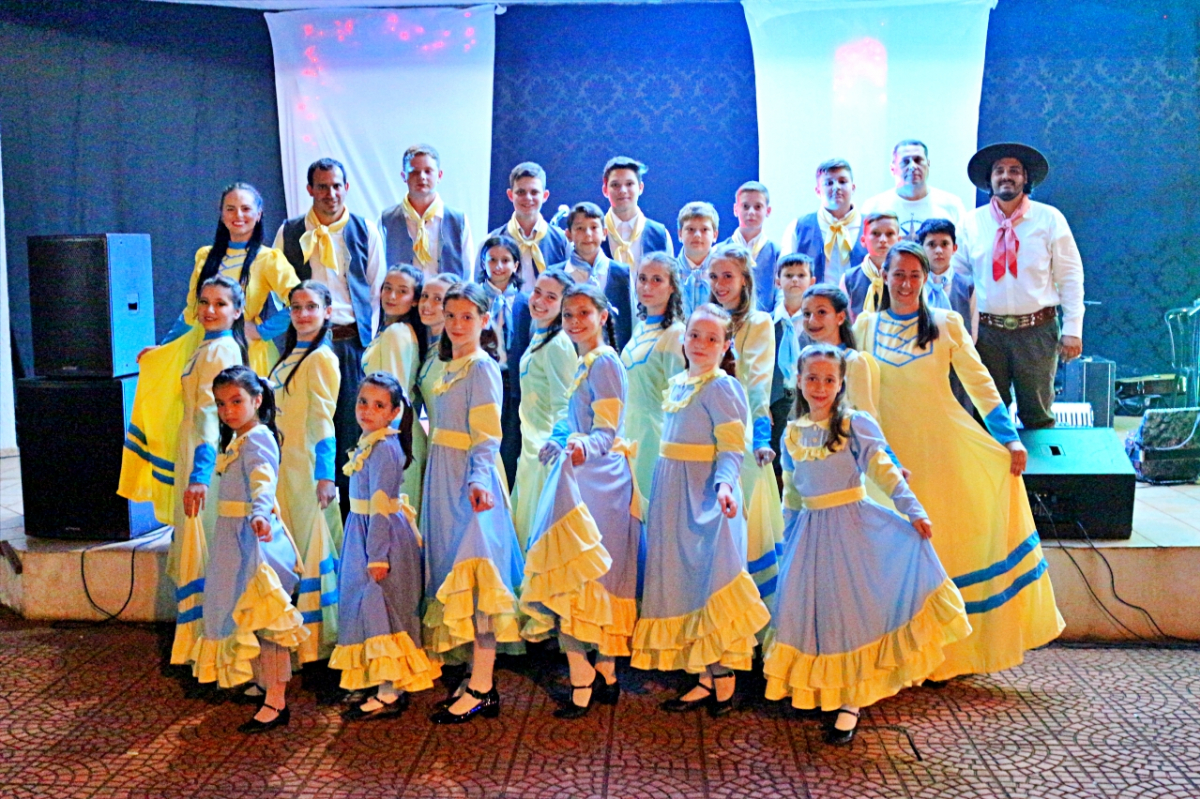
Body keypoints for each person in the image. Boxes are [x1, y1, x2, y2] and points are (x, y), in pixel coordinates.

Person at [854, 242, 1065, 681]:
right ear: (884, 276)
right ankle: (896, 659)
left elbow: (980, 383)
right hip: (889, 457)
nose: (906, 283)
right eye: (898, 274)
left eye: (914, 275)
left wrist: (1009, 439)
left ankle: (951, 656)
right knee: (892, 552)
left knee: (945, 545)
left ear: (926, 279)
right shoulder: (865, 326)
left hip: (943, 452)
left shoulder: (946, 323)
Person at [763, 344, 970, 745]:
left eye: (829, 379)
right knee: (816, 610)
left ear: (840, 384)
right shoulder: (792, 433)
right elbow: (791, 490)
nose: (820, 386)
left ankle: (851, 701)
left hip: (852, 528)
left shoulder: (853, 424)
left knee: (851, 611)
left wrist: (913, 510)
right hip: (809, 534)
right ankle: (825, 688)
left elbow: (883, 469)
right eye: (812, 378)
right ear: (799, 382)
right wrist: (789, 534)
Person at [120, 182, 299, 524]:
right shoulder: (206, 256)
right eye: (230, 208)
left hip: (243, 356)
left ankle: (251, 517)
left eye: (246, 209)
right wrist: (165, 347)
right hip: (200, 350)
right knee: (198, 423)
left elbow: (300, 300)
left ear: (259, 213)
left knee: (240, 433)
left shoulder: (268, 259)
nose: (238, 215)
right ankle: (203, 518)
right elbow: (191, 311)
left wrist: (261, 330)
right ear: (221, 213)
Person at [631, 304, 770, 716]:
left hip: (705, 500)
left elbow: (731, 450)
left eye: (712, 338)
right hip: (673, 497)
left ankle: (723, 678)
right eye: (695, 335)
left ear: (726, 346)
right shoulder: (678, 383)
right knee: (685, 583)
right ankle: (703, 676)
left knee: (711, 582)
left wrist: (724, 486)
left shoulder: (722, 388)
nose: (701, 344)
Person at [522, 283, 643, 719]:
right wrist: (560, 441)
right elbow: (576, 418)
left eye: (583, 314)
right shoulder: (586, 360)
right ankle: (602, 673)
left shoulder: (605, 361)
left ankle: (587, 675)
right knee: (587, 577)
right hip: (585, 474)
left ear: (603, 316)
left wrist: (580, 448)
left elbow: (606, 431)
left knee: (584, 576)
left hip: (598, 480)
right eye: (568, 315)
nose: (574, 322)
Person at [179, 365, 308, 734]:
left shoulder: (257, 439)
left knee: (266, 618)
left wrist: (260, 513)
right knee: (243, 612)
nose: (228, 411)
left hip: (252, 539)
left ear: (257, 400)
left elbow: (263, 480)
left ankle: (276, 700)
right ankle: (263, 681)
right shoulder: (240, 439)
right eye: (221, 404)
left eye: (237, 401)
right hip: (232, 539)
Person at [422, 283, 525, 724]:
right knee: (454, 572)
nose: (458, 325)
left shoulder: (482, 367)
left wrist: (480, 478)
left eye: (467, 317)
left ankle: (483, 685)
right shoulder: (448, 365)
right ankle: (472, 673)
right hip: (442, 476)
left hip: (470, 480)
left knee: (479, 576)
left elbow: (486, 433)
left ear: (484, 320)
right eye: (451, 316)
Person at [274, 158, 385, 520]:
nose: (330, 194)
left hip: (350, 344)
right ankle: (312, 520)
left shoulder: (365, 230)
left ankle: (351, 519)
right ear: (310, 190)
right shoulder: (289, 232)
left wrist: (368, 342)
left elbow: (375, 289)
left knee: (350, 430)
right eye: (322, 186)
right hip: (305, 345)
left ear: (346, 188)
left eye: (337, 186)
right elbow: (279, 291)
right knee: (308, 428)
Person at [953, 142, 1085, 430]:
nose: (1006, 176)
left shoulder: (1049, 218)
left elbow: (1070, 276)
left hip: (1037, 332)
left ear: (1026, 178)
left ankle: (1037, 463)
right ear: (989, 179)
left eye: (1014, 170)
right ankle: (993, 462)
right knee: (987, 415)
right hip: (986, 334)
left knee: (1038, 416)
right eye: (999, 170)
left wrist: (1073, 329)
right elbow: (958, 283)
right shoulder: (970, 223)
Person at [332, 373, 440, 721]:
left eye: (379, 405)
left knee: (384, 608)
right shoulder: (370, 442)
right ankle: (375, 678)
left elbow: (380, 506)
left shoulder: (385, 449)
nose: (367, 410)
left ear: (394, 412)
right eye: (363, 402)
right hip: (362, 531)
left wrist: (377, 556)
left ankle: (390, 690)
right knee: (364, 605)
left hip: (381, 539)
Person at [269, 281, 345, 665]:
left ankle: (318, 644)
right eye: (296, 307)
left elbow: (323, 421)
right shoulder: (290, 355)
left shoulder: (321, 358)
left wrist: (325, 476)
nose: (302, 314)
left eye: (311, 307)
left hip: (307, 471)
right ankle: (293, 642)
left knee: (311, 548)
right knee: (292, 548)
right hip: (285, 467)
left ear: (327, 312)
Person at [708, 244, 784, 608]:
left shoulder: (759, 323)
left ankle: (753, 613)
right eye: (714, 276)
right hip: (706, 430)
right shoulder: (705, 318)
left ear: (744, 280)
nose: (720, 284)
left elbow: (757, 383)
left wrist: (761, 436)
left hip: (741, 429)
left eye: (728, 276)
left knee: (747, 517)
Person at [168, 276, 248, 585]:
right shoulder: (208, 347)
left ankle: (207, 612)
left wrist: (200, 475)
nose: (210, 310)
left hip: (204, 454)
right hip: (194, 446)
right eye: (204, 302)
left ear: (237, 311)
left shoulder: (220, 351)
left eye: (220, 304)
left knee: (203, 537)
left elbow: (211, 414)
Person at [511, 269, 577, 549]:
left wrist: (557, 441)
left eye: (551, 297)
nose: (539, 301)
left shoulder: (558, 344)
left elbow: (566, 403)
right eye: (537, 292)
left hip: (544, 452)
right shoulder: (540, 336)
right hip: (530, 446)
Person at [362, 265, 428, 517]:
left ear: (414, 300)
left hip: (396, 436)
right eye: (387, 288)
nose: (391, 296)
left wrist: (384, 445)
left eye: (402, 291)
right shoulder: (392, 331)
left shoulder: (397, 333)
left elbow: (392, 393)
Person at [621, 252, 686, 496]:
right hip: (630, 429)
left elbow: (677, 398)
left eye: (657, 280)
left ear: (672, 286)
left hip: (654, 434)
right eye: (643, 278)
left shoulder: (676, 333)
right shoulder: (641, 326)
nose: (647, 286)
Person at [480, 235, 532, 486]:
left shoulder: (526, 302)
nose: (498, 266)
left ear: (516, 265)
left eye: (505, 260)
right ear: (483, 263)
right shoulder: (475, 298)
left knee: (510, 449)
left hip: (513, 384)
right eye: (492, 260)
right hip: (483, 380)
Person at [380, 144, 474, 278]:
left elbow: (468, 272)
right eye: (414, 172)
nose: (422, 177)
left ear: (439, 175)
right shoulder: (386, 220)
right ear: (403, 176)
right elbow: (378, 271)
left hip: (447, 292)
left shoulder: (458, 220)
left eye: (428, 171)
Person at [549, 202, 634, 351]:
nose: (588, 234)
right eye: (580, 228)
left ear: (604, 233)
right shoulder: (555, 276)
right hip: (568, 358)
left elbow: (632, 321)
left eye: (594, 227)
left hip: (613, 357)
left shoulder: (622, 273)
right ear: (568, 235)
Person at [474, 162, 569, 288]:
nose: (528, 198)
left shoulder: (561, 241)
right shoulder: (490, 242)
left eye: (534, 192)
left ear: (545, 196)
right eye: (521, 192)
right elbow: (477, 290)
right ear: (510, 195)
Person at [917, 218, 976, 416]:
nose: (938, 251)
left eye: (944, 244)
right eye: (931, 245)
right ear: (921, 248)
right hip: (921, 364)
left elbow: (972, 331)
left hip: (957, 366)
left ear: (955, 248)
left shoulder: (968, 285)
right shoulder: (913, 285)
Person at [782, 159, 867, 287]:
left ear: (853, 188)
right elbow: (785, 276)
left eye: (842, 181)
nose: (836, 187)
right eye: (829, 183)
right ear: (818, 191)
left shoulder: (871, 226)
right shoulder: (798, 227)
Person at [768, 255, 816, 480]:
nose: (795, 280)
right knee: (776, 462)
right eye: (788, 275)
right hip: (776, 400)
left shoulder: (816, 323)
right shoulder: (767, 322)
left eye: (801, 275)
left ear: (812, 281)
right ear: (778, 281)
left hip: (807, 400)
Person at [414, 273, 463, 487]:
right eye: (425, 296)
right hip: (436, 446)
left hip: (456, 454)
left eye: (437, 299)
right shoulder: (432, 349)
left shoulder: (456, 354)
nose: (427, 305)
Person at [861, 140, 967, 238]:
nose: (912, 166)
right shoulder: (873, 207)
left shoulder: (952, 205)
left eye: (918, 160)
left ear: (928, 164)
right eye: (905, 162)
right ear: (892, 168)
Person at [600, 156, 674, 276]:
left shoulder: (660, 235)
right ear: (605, 190)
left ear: (640, 188)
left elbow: (670, 280)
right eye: (615, 185)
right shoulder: (594, 232)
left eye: (629, 184)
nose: (623, 190)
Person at [723, 181, 778, 313]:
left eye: (758, 207)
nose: (751, 212)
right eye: (745, 206)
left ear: (768, 211)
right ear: (735, 209)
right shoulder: (719, 252)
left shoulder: (777, 253)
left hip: (766, 322)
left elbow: (781, 295)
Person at [840, 211, 901, 320]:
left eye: (889, 234)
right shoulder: (849, 279)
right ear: (863, 240)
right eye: (876, 233)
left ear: (899, 240)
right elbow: (843, 321)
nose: (883, 240)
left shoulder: (907, 276)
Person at [675, 201, 719, 317]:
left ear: (715, 235)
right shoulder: (667, 273)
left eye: (704, 230)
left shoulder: (724, 274)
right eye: (690, 229)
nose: (697, 235)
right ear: (680, 234)